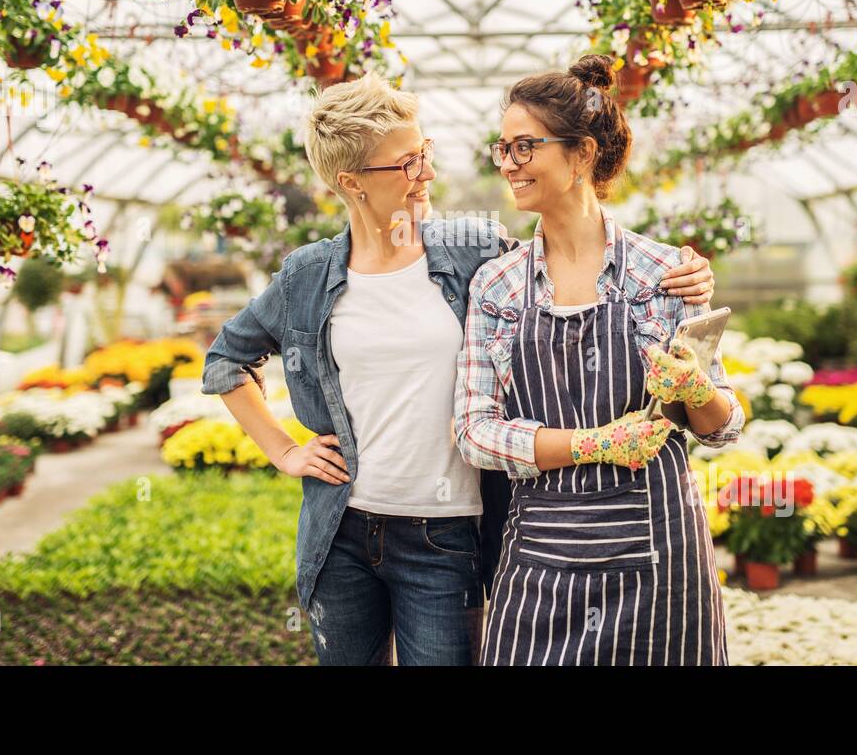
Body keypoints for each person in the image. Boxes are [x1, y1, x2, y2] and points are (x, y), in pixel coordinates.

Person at [201, 71, 717, 665]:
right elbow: (226, 359)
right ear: (352, 183)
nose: (426, 173)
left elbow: (568, 252)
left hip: (444, 534)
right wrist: (284, 450)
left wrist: (687, 278)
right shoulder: (308, 275)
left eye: (425, 154)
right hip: (341, 531)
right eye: (405, 164)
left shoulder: (474, 249)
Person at [454, 54, 744, 666]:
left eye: (524, 147)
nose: (508, 164)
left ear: (582, 155)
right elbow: (475, 434)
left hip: (661, 555)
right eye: (501, 149)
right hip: (541, 555)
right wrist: (595, 444)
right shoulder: (498, 286)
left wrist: (695, 389)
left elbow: (723, 427)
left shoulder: (664, 274)